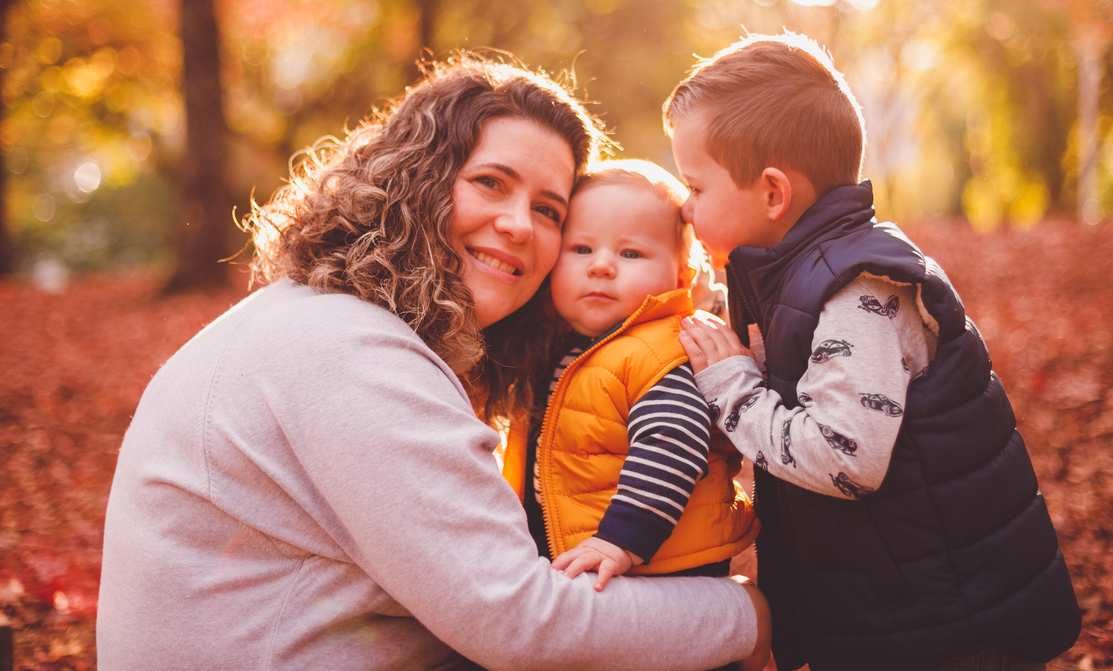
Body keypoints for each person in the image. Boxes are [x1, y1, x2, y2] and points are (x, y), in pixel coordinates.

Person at [96, 55, 771, 671]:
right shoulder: (346, 353)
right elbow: (521, 622)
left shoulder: (322, 320)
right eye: (490, 183)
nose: (517, 224)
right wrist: (750, 614)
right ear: (415, 181)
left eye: (546, 210)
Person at [666, 34, 1082, 671]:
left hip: (943, 626)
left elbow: (845, 458)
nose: (686, 209)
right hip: (900, 599)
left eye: (694, 187)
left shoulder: (858, 292)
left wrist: (730, 385)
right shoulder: (799, 273)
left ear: (773, 193)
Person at [500, 160, 758, 592]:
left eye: (630, 253)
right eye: (581, 249)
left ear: (681, 274)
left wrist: (620, 541)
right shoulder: (562, 349)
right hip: (588, 561)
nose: (601, 266)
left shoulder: (661, 352)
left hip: (656, 567)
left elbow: (673, 441)